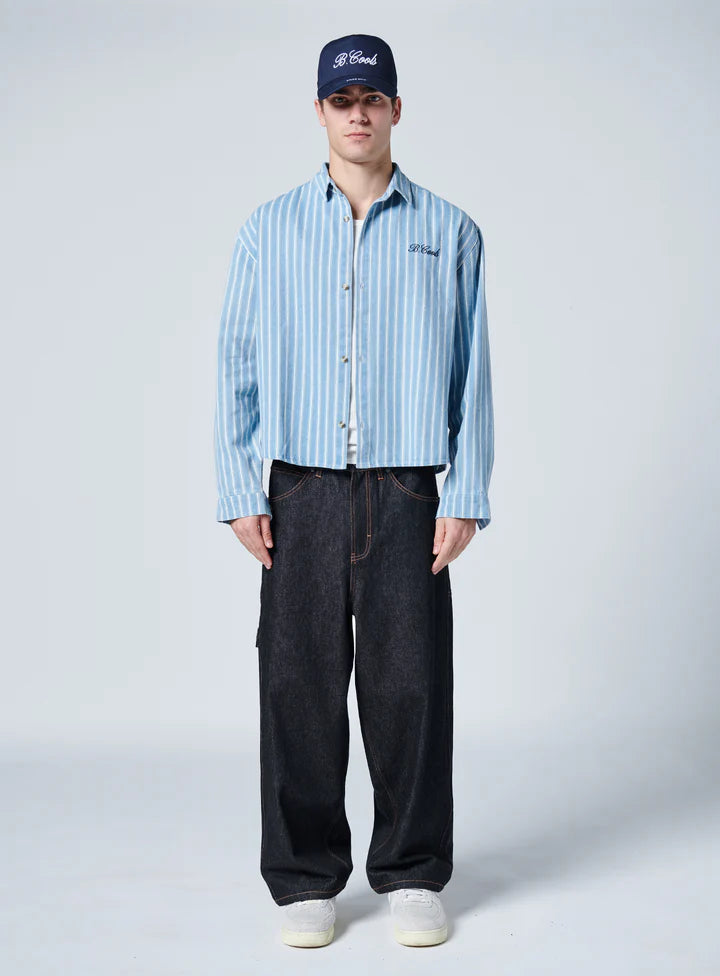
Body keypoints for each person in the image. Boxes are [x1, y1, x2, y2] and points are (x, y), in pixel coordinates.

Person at [213, 32, 494, 948]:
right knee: (297, 682)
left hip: (408, 489)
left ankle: (411, 871)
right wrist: (238, 483)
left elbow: (473, 372)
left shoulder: (451, 231)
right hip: (299, 489)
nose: (359, 114)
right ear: (321, 112)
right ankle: (304, 879)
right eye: (343, 100)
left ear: (397, 109)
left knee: (409, 682)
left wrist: (467, 488)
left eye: (373, 99)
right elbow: (237, 364)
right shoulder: (268, 230)